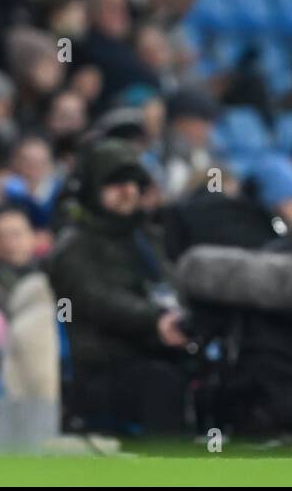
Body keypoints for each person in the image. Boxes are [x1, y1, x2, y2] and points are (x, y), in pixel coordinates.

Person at [46, 137, 190, 435]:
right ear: (91, 188)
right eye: (115, 183)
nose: (127, 191)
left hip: (156, 351)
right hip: (100, 369)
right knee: (162, 382)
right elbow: (96, 299)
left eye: (134, 182)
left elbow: (174, 284)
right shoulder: (74, 244)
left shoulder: (145, 235)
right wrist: (155, 319)